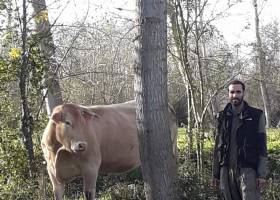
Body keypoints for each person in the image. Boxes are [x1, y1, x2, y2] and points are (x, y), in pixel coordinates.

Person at [212, 79, 268, 200]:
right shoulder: (222, 117)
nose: (235, 95)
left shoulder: (256, 115)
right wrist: (215, 174)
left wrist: (261, 174)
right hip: (226, 171)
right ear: (228, 94)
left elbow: (262, 146)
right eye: (232, 92)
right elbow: (217, 146)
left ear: (243, 93)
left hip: (247, 172)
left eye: (238, 92)